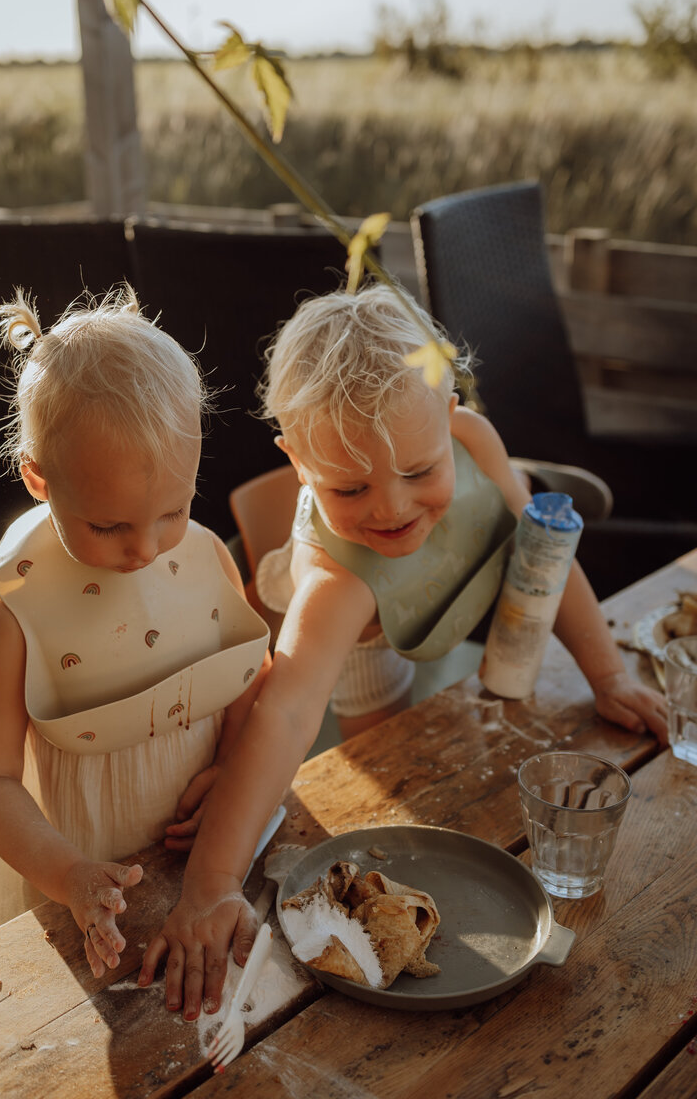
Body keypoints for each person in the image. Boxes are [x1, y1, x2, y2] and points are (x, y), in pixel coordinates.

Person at [139, 282, 668, 1016]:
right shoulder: (336, 584)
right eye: (349, 487)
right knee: (389, 775)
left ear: (451, 421)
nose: (389, 507)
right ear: (297, 460)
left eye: (419, 471)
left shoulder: (473, 438)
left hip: (440, 595)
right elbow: (288, 713)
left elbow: (544, 549)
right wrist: (211, 885)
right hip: (361, 633)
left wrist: (607, 675)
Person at [0, 285, 270, 978]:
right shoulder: (16, 613)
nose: (146, 548)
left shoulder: (206, 558)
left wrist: (233, 768)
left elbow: (248, 679)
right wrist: (68, 875)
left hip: (204, 870)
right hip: (80, 896)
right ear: (40, 479)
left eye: (173, 510)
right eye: (109, 526)